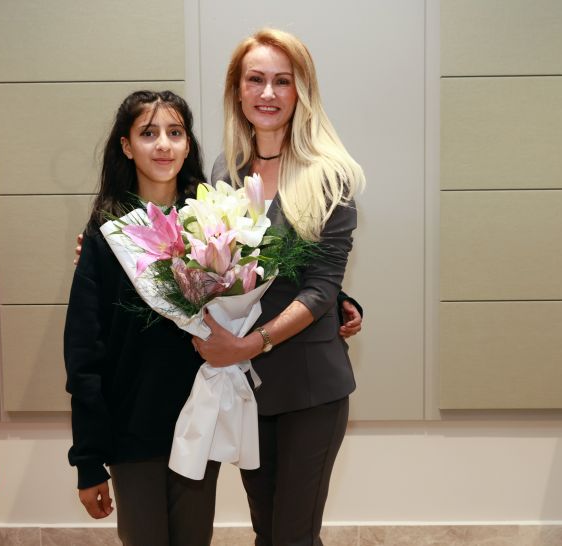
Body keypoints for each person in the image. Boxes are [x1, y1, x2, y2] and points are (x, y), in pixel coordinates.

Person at [193, 28, 365, 546]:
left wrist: (249, 344)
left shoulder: (330, 175)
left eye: (282, 81)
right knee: (266, 531)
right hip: (248, 389)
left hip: (311, 389)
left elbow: (321, 285)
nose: (268, 93)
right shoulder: (225, 171)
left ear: (301, 92)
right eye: (256, 80)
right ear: (238, 90)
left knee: (293, 536)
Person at [63, 90, 220, 546]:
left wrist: (337, 301)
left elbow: (259, 293)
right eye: (148, 134)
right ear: (127, 146)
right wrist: (88, 459)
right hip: (132, 430)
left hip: (199, 423)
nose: (164, 145)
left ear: (188, 145)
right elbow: (83, 353)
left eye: (175, 133)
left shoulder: (213, 223)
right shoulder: (107, 233)